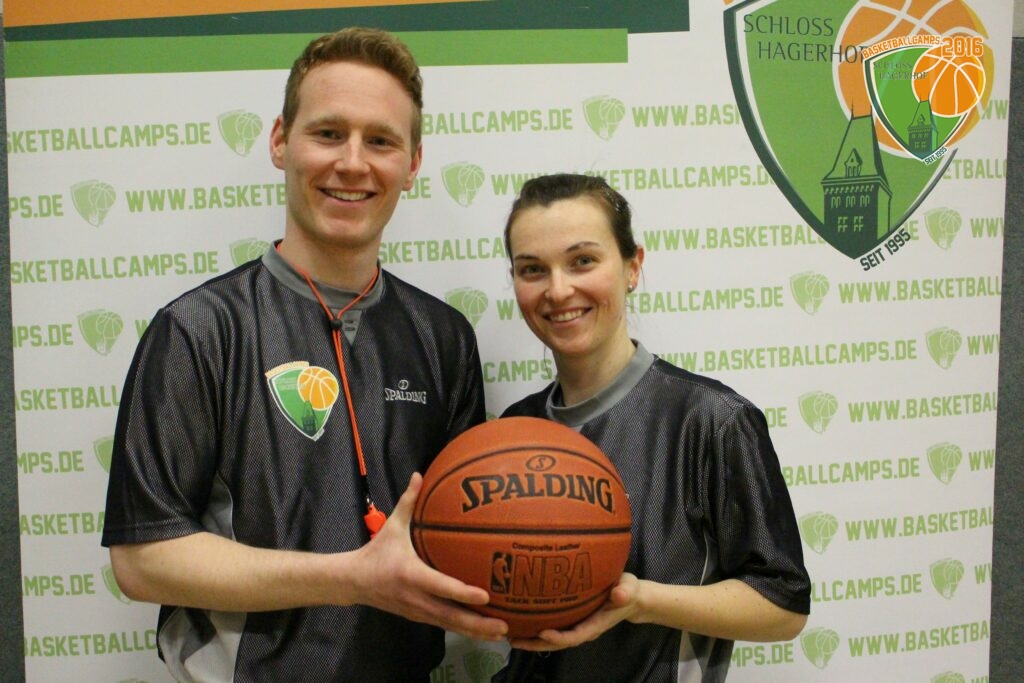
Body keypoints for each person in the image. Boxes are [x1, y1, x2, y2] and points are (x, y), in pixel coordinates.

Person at [101, 27, 507, 682]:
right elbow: (141, 559)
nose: (353, 162)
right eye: (328, 133)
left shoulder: (444, 337)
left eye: (380, 140)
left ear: (413, 163)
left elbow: (463, 534)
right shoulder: (198, 329)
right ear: (280, 141)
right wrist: (351, 578)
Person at [493, 173, 810, 682]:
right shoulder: (513, 430)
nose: (558, 289)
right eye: (533, 269)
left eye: (582, 261)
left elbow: (784, 605)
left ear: (632, 266)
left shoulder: (713, 420)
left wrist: (639, 600)